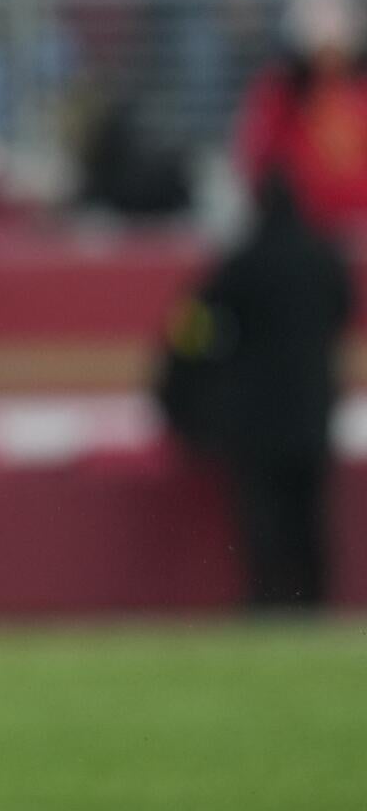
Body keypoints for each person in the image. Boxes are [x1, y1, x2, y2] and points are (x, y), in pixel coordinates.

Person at [177, 173, 353, 609]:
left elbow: (198, 321)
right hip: (313, 405)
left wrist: (193, 372)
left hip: (255, 411)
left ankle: (267, 596)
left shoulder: (243, 261)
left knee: (262, 510)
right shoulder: (322, 258)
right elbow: (344, 310)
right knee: (308, 509)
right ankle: (313, 597)